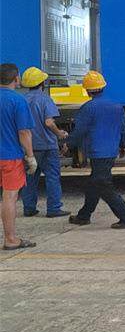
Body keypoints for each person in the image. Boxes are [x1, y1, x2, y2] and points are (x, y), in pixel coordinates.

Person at [67, 71, 125, 229]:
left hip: (98, 153)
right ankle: (84, 216)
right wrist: (123, 145)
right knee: (94, 184)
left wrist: (67, 145)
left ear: (87, 90)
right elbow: (124, 129)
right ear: (103, 87)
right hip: (111, 151)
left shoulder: (87, 108)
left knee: (103, 185)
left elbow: (79, 131)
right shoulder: (116, 105)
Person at [20, 67, 70, 218]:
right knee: (52, 177)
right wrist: (59, 134)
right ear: (42, 83)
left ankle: (29, 208)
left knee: (29, 178)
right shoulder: (45, 99)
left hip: (28, 146)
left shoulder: (22, 100)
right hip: (47, 146)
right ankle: (54, 208)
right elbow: (49, 122)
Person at [0, 63, 38, 250]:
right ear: (16, 79)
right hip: (10, 157)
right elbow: (24, 132)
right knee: (9, 196)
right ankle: (10, 239)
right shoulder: (17, 100)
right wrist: (30, 156)